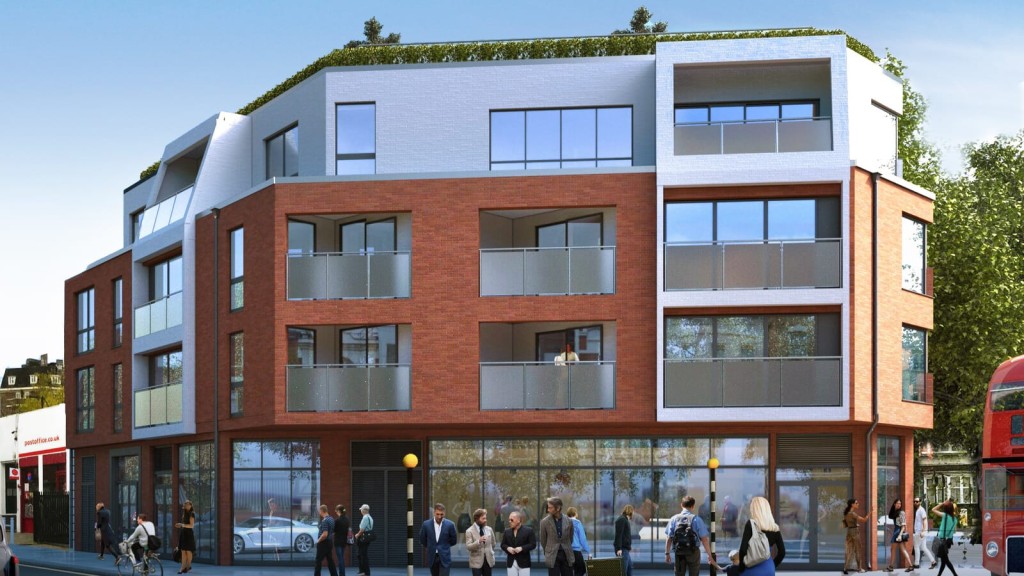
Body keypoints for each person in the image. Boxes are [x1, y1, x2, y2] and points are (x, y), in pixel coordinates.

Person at [664, 496, 715, 576]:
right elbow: (704, 539)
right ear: (693, 506)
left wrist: (667, 553)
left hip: (679, 552)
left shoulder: (674, 519)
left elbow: (669, 538)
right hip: (693, 552)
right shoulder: (697, 519)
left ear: (681, 505)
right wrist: (709, 555)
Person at [737, 496, 785, 576]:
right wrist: (773, 565)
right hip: (768, 567)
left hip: (751, 568)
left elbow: (743, 549)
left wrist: (741, 567)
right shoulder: (774, 527)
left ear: (754, 510)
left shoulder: (751, 524)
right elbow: (782, 552)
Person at [539, 497, 575, 576]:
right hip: (552, 555)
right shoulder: (544, 522)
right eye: (548, 507)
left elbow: (570, 538)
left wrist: (566, 546)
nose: (548, 510)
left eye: (550, 508)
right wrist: (549, 550)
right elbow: (543, 540)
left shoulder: (569, 521)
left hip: (566, 554)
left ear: (558, 508)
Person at [420, 503, 458, 576]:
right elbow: (422, 539)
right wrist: (430, 546)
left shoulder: (450, 525)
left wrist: (445, 546)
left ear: (444, 513)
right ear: (434, 512)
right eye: (437, 514)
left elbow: (454, 540)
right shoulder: (426, 524)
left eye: (441, 514)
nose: (439, 516)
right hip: (432, 557)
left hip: (444, 557)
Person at [501, 510, 537, 576]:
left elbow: (533, 544)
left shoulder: (529, 530)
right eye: (509, 520)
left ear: (518, 520)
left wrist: (522, 548)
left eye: (511, 520)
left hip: (524, 562)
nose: (509, 522)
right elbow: (503, 545)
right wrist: (508, 548)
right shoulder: (507, 531)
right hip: (511, 562)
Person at [843, 499, 872, 574]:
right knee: (858, 550)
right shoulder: (853, 514)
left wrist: (854, 524)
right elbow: (864, 520)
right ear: (852, 504)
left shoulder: (846, 513)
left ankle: (845, 568)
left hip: (849, 532)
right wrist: (870, 513)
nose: (858, 504)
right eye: (856, 503)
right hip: (855, 533)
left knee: (849, 550)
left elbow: (845, 524)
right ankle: (859, 569)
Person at [885, 498, 914, 572]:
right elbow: (890, 515)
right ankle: (910, 565)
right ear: (894, 504)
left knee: (893, 549)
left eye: (900, 503)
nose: (899, 505)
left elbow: (903, 525)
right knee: (901, 549)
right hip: (897, 531)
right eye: (897, 503)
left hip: (898, 531)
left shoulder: (901, 512)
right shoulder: (896, 512)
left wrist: (899, 535)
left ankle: (891, 567)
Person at [931, 500, 958, 576]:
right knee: (944, 561)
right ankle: (939, 575)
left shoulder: (945, 516)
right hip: (946, 541)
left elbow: (933, 509)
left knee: (946, 561)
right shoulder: (955, 519)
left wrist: (942, 503)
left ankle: (955, 575)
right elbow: (954, 531)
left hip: (941, 540)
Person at [466, 508, 497, 576]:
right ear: (477, 519)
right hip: (476, 561)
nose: (485, 520)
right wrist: (478, 541)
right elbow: (468, 546)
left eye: (485, 518)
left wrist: (489, 551)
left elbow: (493, 543)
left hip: (488, 560)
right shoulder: (469, 531)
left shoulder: (489, 529)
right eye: (483, 518)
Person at [315, 504, 340, 576]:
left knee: (318, 561)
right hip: (329, 542)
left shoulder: (325, 521)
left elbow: (324, 534)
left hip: (323, 543)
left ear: (322, 510)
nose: (319, 513)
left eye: (319, 511)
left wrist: (318, 541)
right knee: (330, 560)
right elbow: (332, 532)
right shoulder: (331, 519)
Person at [565, 507, 590, 576]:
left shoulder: (564, 523)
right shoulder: (577, 523)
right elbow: (582, 538)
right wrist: (588, 551)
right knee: (581, 569)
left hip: (566, 551)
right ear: (575, 513)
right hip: (575, 551)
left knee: (570, 571)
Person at [912, 497, 936, 569]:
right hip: (920, 532)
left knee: (916, 547)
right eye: (914, 501)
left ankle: (916, 563)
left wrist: (923, 531)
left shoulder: (921, 510)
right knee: (923, 547)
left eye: (917, 501)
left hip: (920, 532)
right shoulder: (918, 510)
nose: (915, 503)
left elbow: (925, 520)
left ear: (920, 502)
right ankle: (933, 561)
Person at [175, 500, 196, 574]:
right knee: (183, 551)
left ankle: (188, 566)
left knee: (188, 551)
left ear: (191, 506)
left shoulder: (192, 514)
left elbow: (191, 525)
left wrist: (182, 525)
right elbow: (184, 524)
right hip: (183, 533)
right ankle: (182, 567)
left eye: (188, 504)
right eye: (186, 504)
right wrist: (180, 525)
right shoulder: (184, 513)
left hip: (189, 534)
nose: (187, 506)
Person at [613, 504, 634, 576]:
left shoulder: (624, 520)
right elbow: (619, 535)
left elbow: (625, 535)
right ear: (631, 512)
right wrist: (619, 548)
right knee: (623, 570)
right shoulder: (622, 520)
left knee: (629, 567)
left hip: (625, 548)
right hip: (622, 548)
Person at [355, 504, 374, 576]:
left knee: (362, 555)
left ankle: (364, 572)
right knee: (363, 555)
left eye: (361, 510)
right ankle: (364, 571)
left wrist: (357, 535)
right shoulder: (370, 517)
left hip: (363, 538)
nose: (361, 511)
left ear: (363, 510)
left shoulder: (365, 518)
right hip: (367, 538)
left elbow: (362, 529)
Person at [334, 505, 351, 576]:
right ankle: (342, 573)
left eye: (336, 511)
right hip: (344, 541)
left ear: (338, 511)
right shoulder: (347, 519)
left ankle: (342, 574)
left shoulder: (337, 520)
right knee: (342, 557)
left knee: (340, 558)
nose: (336, 512)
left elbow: (334, 530)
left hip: (338, 541)